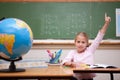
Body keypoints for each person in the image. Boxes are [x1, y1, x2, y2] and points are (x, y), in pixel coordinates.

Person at [61, 13, 111, 80]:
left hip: (88, 79)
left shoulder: (90, 50)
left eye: (83, 42)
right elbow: (64, 62)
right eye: (78, 42)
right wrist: (71, 63)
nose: (80, 44)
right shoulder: (72, 52)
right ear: (75, 43)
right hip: (76, 79)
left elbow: (99, 36)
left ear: (87, 44)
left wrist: (106, 23)